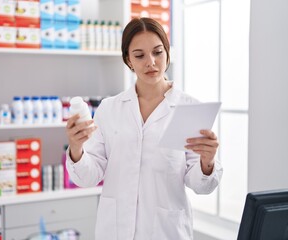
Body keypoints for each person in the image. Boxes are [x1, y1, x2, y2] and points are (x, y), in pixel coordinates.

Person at [65, 17, 223, 240]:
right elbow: (88, 178)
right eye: (139, 55)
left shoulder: (189, 108)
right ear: (128, 60)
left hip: (166, 232)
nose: (151, 62)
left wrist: (207, 162)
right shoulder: (109, 109)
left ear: (168, 53)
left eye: (158, 52)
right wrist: (76, 149)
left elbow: (201, 186)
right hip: (115, 230)